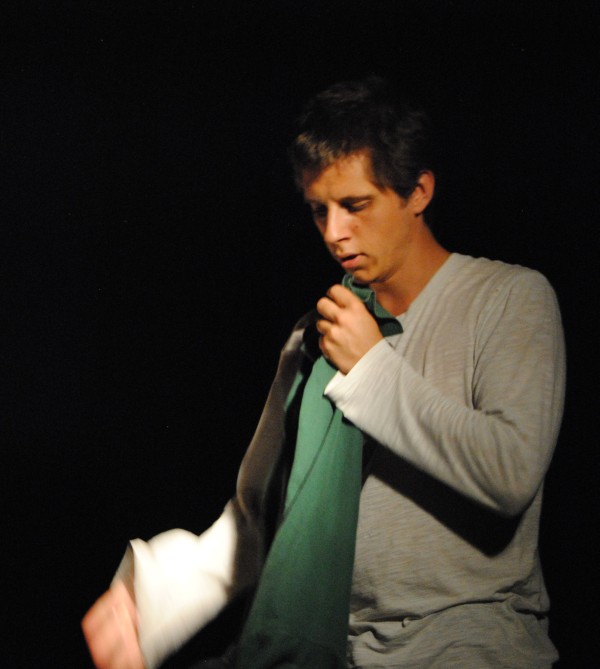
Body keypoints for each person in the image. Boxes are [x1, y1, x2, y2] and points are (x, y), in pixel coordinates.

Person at [83, 77, 565, 668]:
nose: (335, 233)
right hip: (341, 650)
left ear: (418, 192)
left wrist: (371, 370)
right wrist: (153, 604)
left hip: (471, 645)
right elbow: (258, 517)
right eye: (319, 210)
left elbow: (511, 472)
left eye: (355, 206)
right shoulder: (315, 335)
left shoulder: (509, 298)